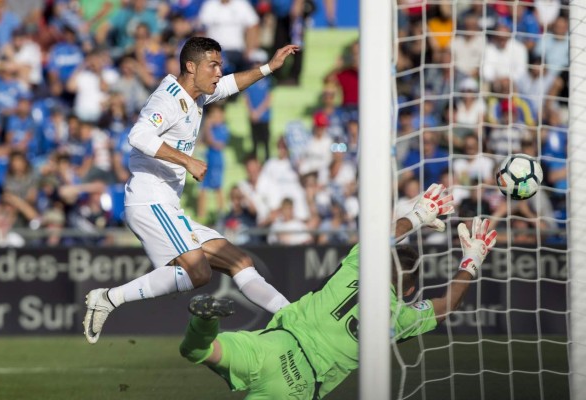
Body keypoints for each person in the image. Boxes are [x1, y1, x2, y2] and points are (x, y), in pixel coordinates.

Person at [179, 184, 498, 399]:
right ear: (410, 287)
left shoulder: (358, 265)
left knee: (198, 350)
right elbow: (446, 305)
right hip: (298, 383)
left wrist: (417, 216)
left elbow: (382, 237)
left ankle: (205, 324)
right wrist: (471, 261)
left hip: (274, 346)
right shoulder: (397, 318)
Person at [83, 36, 300, 344]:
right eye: (213, 65)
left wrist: (269, 67)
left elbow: (230, 85)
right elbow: (138, 135)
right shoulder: (168, 99)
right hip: (149, 199)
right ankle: (109, 298)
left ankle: (291, 316)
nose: (218, 72)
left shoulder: (197, 95)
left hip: (167, 204)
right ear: (190, 66)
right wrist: (187, 160)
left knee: (238, 260)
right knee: (199, 273)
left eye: (220, 66)